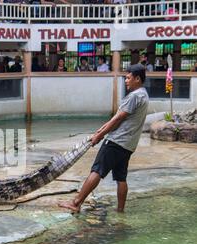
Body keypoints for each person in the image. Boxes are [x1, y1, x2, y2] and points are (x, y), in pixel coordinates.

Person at [59, 64, 149, 213]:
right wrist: (100, 131)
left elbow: (117, 119)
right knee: (121, 177)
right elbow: (117, 118)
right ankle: (120, 210)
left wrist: (100, 136)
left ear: (137, 79)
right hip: (129, 144)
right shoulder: (143, 94)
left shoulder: (134, 96)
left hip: (116, 141)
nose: (126, 81)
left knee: (97, 171)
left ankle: (76, 203)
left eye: (128, 78)